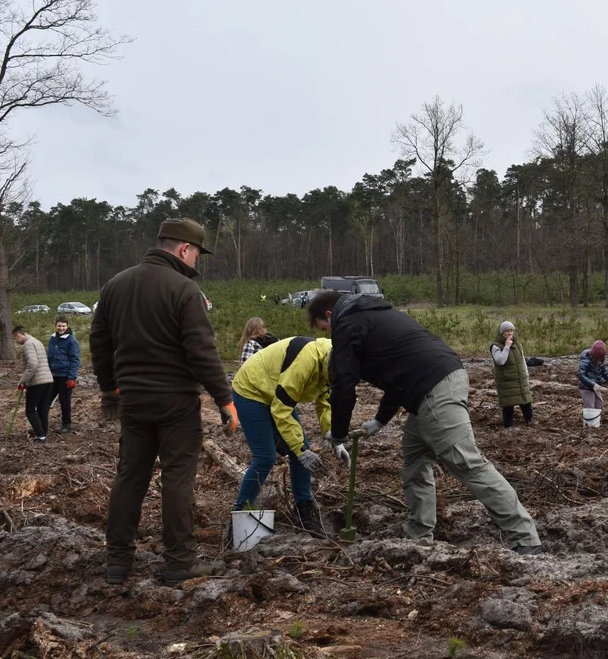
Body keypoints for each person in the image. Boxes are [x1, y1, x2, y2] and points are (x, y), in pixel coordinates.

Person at [308, 291, 542, 555]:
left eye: (325, 328)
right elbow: (398, 376)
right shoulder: (377, 316)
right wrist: (379, 420)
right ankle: (419, 535)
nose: (329, 335)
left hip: (434, 389)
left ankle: (526, 538)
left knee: (467, 463)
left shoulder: (348, 323)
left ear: (329, 315)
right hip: (434, 384)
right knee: (415, 460)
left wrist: (338, 433)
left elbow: (343, 385)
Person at [91, 218, 238, 587]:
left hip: (134, 402)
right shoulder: (184, 290)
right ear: (185, 250)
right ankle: (179, 564)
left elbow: (99, 343)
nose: (196, 263)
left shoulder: (115, 285)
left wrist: (111, 390)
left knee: (130, 478)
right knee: (177, 480)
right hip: (176, 404)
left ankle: (118, 562)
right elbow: (202, 352)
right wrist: (225, 399)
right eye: (197, 255)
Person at [231, 336, 350, 535]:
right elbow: (281, 409)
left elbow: (325, 402)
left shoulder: (340, 363)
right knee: (265, 457)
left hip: (276, 394)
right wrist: (302, 450)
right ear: (327, 365)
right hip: (251, 389)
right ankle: (241, 513)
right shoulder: (306, 363)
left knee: (300, 451)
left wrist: (334, 438)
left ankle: (304, 509)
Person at [13, 326, 53, 443]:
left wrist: (23, 381)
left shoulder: (28, 344)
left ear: (20, 335)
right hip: (48, 380)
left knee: (30, 410)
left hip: (37, 381)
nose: (16, 341)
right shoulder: (37, 341)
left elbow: (33, 364)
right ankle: (43, 433)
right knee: (42, 410)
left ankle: (40, 435)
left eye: (15, 338)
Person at [490, 321, 534, 428]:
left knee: (525, 401)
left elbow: (522, 359)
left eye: (511, 330)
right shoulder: (495, 346)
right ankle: (508, 426)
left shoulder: (517, 344)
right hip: (506, 380)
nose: (510, 333)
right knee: (508, 404)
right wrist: (506, 347)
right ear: (502, 333)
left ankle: (530, 421)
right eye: (507, 331)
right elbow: (500, 361)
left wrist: (526, 374)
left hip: (520, 378)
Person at [47, 316, 81, 434]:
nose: (61, 328)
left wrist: (72, 377)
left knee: (64, 401)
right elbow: (49, 356)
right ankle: (41, 424)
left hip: (65, 376)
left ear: (67, 326)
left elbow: (75, 360)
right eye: (59, 326)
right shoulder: (52, 339)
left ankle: (66, 424)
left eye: (63, 326)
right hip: (52, 375)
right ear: (55, 325)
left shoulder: (71, 341)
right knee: (46, 399)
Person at [578, 340, 608, 426]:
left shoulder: (600, 361)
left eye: (601, 358)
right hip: (586, 387)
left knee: (599, 404)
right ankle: (589, 425)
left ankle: (596, 423)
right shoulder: (585, 361)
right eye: (598, 358)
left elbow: (606, 374)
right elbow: (581, 375)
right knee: (590, 407)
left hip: (596, 387)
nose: (599, 360)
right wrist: (593, 385)